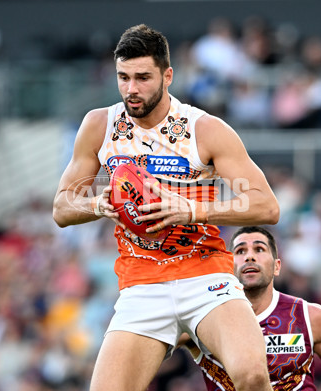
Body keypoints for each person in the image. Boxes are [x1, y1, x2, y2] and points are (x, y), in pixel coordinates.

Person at [53, 24, 280, 391]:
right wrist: (101, 203)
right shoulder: (99, 125)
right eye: (123, 77)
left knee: (253, 376)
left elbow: (266, 206)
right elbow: (61, 208)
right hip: (141, 286)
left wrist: (191, 210)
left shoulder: (204, 129)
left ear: (168, 75)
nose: (131, 89)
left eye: (143, 77)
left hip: (205, 276)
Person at [183, 226, 321, 390]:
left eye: (259, 249)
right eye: (240, 251)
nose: (250, 257)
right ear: (228, 267)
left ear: (277, 267)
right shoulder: (201, 319)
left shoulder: (310, 317)